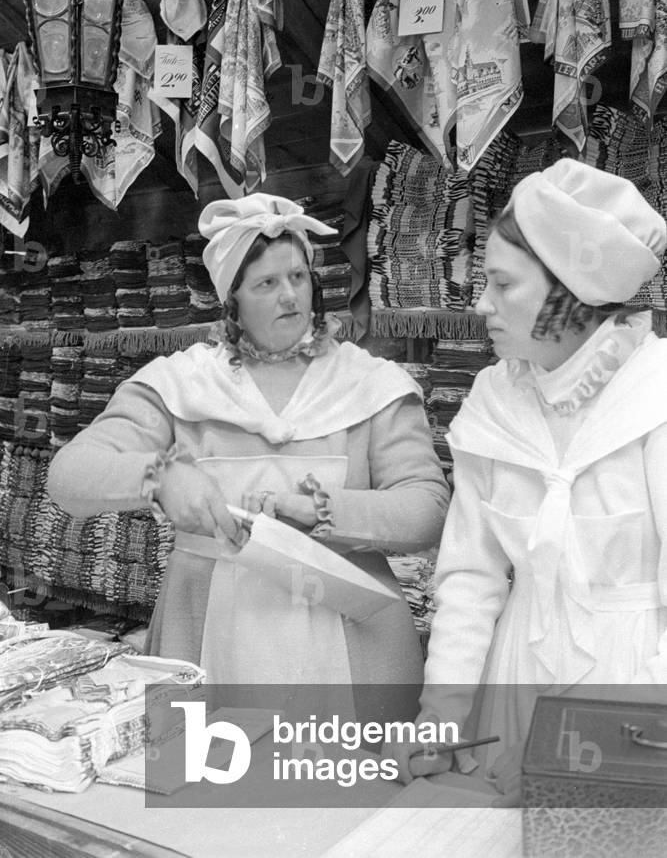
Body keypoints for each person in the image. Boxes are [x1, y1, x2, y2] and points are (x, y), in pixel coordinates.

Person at [47, 193, 448, 707]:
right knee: (209, 776)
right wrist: (161, 474)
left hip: (352, 638)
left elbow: (427, 509)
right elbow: (70, 475)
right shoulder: (183, 383)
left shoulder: (368, 383)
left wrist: (327, 510)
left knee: (348, 783)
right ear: (232, 299)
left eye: (299, 277)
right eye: (267, 283)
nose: (291, 297)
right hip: (209, 632)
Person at [385, 158, 667, 789]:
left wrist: (635, 743)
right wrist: (442, 719)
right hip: (518, 683)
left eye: (503, 285)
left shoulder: (656, 396)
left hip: (634, 693)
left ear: (569, 291)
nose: (481, 303)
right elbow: (469, 579)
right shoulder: (493, 401)